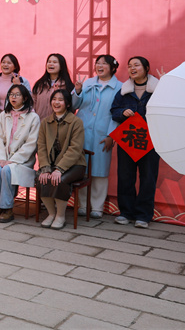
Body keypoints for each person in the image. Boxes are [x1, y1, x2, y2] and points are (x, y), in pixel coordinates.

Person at [110, 56, 160, 229]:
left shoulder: (158, 89)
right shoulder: (124, 91)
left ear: (146, 68)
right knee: (125, 176)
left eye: (136, 65)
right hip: (129, 138)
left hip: (151, 140)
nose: (132, 68)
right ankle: (126, 212)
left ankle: (144, 215)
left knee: (148, 178)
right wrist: (123, 112)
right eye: (130, 66)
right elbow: (114, 111)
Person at [72, 55, 122, 219]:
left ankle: (97, 207)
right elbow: (74, 105)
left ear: (113, 67)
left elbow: (117, 114)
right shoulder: (87, 83)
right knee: (82, 168)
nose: (99, 66)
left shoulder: (119, 88)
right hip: (82, 132)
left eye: (104, 64)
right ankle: (83, 204)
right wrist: (78, 91)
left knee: (100, 170)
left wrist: (111, 135)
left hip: (103, 134)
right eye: (97, 63)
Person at [0, 84, 40, 223]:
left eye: (17, 95)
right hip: (3, 157)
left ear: (25, 98)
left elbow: (31, 143)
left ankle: (7, 208)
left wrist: (13, 159)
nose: (13, 97)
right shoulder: (4, 115)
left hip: (23, 161)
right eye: (11, 94)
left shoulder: (33, 117)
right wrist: (2, 158)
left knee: (7, 169)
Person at [36, 89, 87, 230]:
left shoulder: (76, 122)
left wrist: (59, 169)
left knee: (61, 180)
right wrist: (45, 168)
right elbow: (41, 147)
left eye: (60, 100)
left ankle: (60, 215)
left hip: (75, 165)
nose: (56, 102)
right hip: (51, 164)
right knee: (40, 178)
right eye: (54, 99)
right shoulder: (45, 122)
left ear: (68, 104)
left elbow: (75, 149)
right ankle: (51, 213)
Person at [0, 53, 32, 131]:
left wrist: (18, 85)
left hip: (16, 120)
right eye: (3, 62)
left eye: (9, 63)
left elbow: (29, 100)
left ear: (15, 66)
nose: (5, 65)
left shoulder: (23, 81)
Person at [31, 53, 73, 121]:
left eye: (54, 62)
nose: (50, 64)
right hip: (39, 125)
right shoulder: (39, 84)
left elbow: (71, 108)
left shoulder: (67, 86)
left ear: (61, 66)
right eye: (49, 62)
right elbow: (32, 104)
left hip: (58, 126)